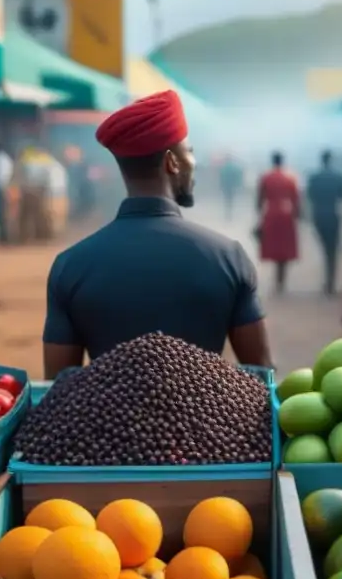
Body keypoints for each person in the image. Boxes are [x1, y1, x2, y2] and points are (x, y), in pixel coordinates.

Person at [41, 90, 273, 379]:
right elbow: (262, 376)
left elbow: (56, 387)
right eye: (189, 152)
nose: (194, 163)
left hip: (105, 423)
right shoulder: (228, 257)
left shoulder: (70, 265)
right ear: (171, 162)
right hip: (209, 422)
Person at [306, 150, 342, 295]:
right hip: (333, 215)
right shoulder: (339, 177)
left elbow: (309, 196)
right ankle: (330, 282)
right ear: (331, 160)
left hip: (318, 216)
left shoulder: (314, 178)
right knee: (332, 250)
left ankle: (328, 282)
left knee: (326, 249)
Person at [257, 152, 300, 295]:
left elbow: (259, 200)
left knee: (275, 248)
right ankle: (281, 281)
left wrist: (259, 218)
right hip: (287, 215)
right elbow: (296, 199)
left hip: (271, 214)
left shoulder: (266, 177)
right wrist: (298, 216)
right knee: (285, 249)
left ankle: (278, 281)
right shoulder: (290, 177)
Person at [219, 155, 243, 221]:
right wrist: (238, 185)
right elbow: (238, 176)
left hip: (226, 186)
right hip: (233, 186)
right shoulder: (235, 167)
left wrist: (221, 186)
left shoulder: (223, 168)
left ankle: (228, 214)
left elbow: (221, 178)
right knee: (231, 200)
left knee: (227, 200)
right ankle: (230, 213)